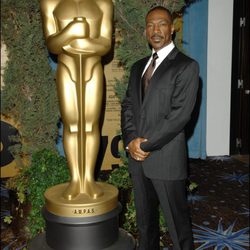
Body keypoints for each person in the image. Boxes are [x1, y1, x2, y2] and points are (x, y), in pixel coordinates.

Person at [121, 6, 199, 250]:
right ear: (145, 31)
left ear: (172, 28)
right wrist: (131, 141)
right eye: (150, 25)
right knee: (145, 224)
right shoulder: (137, 67)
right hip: (138, 160)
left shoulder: (186, 66)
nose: (155, 30)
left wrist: (144, 144)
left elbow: (179, 116)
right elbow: (128, 108)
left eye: (161, 24)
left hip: (165, 159)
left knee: (178, 225)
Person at [40, 0, 113, 200]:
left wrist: (81, 43)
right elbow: (53, 44)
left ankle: (88, 178)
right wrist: (71, 31)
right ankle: (75, 179)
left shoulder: (103, 3)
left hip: (92, 69)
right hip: (67, 69)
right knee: (72, 125)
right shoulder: (50, 3)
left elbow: (105, 44)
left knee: (90, 125)